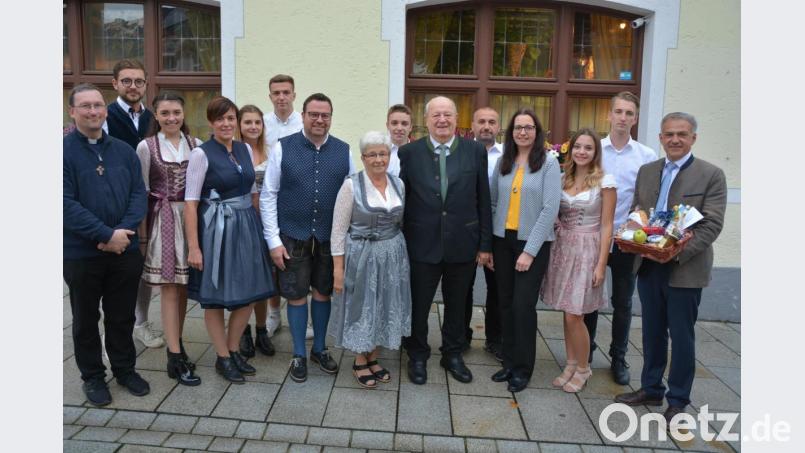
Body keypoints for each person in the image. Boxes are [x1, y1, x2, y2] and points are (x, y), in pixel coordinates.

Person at [615, 112, 727, 425]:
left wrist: (674, 253)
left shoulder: (711, 175)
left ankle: (678, 399)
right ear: (661, 138)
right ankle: (651, 389)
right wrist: (632, 233)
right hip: (648, 265)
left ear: (693, 138)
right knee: (651, 332)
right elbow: (639, 210)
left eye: (682, 134)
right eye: (669, 134)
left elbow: (711, 225)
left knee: (681, 336)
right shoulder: (648, 171)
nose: (675, 140)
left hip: (684, 268)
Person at [64, 83, 150, 406]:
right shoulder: (61, 152)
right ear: (72, 112)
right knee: (86, 319)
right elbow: (64, 204)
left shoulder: (124, 151)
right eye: (85, 106)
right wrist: (105, 235)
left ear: (105, 109)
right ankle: (93, 377)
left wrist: (120, 234)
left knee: (122, 315)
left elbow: (138, 195)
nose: (93, 111)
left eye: (98, 105)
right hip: (81, 253)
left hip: (124, 250)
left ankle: (125, 370)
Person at [261, 93, 355, 383]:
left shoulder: (344, 150)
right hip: (292, 234)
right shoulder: (283, 147)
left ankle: (320, 349)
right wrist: (273, 241)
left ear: (331, 118)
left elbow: (352, 196)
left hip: (329, 237)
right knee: (296, 295)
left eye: (325, 115)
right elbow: (269, 195)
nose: (319, 120)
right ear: (303, 116)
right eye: (314, 114)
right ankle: (299, 353)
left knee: (323, 292)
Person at [399, 96, 492, 385]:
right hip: (420, 243)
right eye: (436, 115)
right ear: (425, 120)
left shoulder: (475, 151)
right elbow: (403, 200)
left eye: (448, 114)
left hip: (463, 241)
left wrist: (485, 245)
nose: (442, 120)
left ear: (456, 119)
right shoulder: (409, 152)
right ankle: (417, 354)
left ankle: (452, 353)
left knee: (457, 304)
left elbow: (483, 198)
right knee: (418, 304)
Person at [184, 96, 276, 384]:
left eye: (230, 118)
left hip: (247, 225)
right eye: (220, 118)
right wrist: (194, 247)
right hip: (216, 230)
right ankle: (222, 356)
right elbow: (190, 203)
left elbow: (253, 193)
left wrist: (264, 232)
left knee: (249, 292)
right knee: (214, 298)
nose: (226, 123)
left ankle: (234, 348)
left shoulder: (244, 148)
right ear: (211, 122)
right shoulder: (201, 154)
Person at [583, 91, 657, 385]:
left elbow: (648, 198)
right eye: (619, 112)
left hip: (627, 241)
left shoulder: (646, 156)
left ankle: (618, 357)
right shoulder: (595, 150)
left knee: (623, 302)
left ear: (635, 119)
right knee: (590, 299)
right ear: (609, 115)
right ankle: (586, 351)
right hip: (593, 237)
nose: (623, 118)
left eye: (629, 113)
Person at [329, 131, 412, 388]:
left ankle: (374, 356)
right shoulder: (351, 185)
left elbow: (400, 222)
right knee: (363, 305)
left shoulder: (398, 184)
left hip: (393, 254)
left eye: (383, 154)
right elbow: (338, 230)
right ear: (363, 157)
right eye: (372, 154)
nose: (378, 159)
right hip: (362, 255)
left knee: (386, 304)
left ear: (389, 155)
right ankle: (359, 360)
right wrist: (338, 269)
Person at [489, 108, 560, 392]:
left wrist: (529, 251)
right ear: (511, 132)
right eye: (518, 127)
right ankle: (508, 362)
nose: (522, 132)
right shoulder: (503, 162)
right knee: (505, 303)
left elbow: (550, 209)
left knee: (523, 306)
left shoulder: (549, 164)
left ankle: (522, 368)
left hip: (533, 243)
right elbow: (493, 202)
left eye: (528, 127)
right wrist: (490, 245)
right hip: (502, 241)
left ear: (537, 131)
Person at [136, 91, 203, 386]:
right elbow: (140, 191)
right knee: (169, 286)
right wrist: (142, 236)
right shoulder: (146, 146)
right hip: (163, 219)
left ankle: (177, 342)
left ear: (183, 114)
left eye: (176, 112)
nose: (171, 118)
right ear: (156, 116)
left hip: (191, 218)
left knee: (184, 286)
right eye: (165, 113)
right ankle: (174, 355)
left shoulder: (196, 144)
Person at [541, 128, 616, 393]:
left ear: (596, 152)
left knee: (575, 314)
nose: (582, 152)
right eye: (578, 147)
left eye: (588, 147)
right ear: (570, 149)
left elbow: (607, 225)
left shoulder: (605, 182)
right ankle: (571, 363)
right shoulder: (563, 178)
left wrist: (601, 264)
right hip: (563, 248)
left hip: (588, 250)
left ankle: (584, 368)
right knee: (566, 310)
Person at [103, 58, 164, 349]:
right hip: (115, 203)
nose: (133, 86)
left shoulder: (153, 118)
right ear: (115, 83)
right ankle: (113, 331)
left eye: (139, 81)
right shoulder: (106, 116)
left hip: (149, 203)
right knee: (115, 270)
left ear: (146, 84)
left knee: (143, 267)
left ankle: (140, 323)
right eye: (126, 81)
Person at [262, 74, 306, 339]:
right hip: (268, 196)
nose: (281, 97)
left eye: (286, 92)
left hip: (296, 198)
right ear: (270, 96)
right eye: (276, 93)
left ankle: (300, 313)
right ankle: (273, 313)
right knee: (273, 259)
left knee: (298, 258)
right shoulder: (263, 123)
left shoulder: (304, 122)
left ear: (294, 95)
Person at [236, 105, 277, 358]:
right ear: (239, 125)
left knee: (265, 278)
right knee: (244, 278)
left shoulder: (271, 151)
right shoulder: (234, 151)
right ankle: (243, 331)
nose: (253, 127)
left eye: (257, 122)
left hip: (266, 221)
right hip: (242, 220)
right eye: (247, 122)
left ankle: (262, 330)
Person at [465, 106, 504, 360]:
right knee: (463, 287)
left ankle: (495, 339)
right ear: (472, 126)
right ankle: (461, 336)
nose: (486, 126)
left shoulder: (509, 156)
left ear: (498, 127)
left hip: (498, 231)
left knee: (497, 288)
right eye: (481, 121)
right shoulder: (463, 153)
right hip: (467, 229)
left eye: (491, 122)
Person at [385, 104, 413, 177]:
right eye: (394, 123)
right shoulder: (379, 151)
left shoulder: (419, 151)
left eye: (404, 124)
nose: (399, 128)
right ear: (387, 125)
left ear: (410, 127)